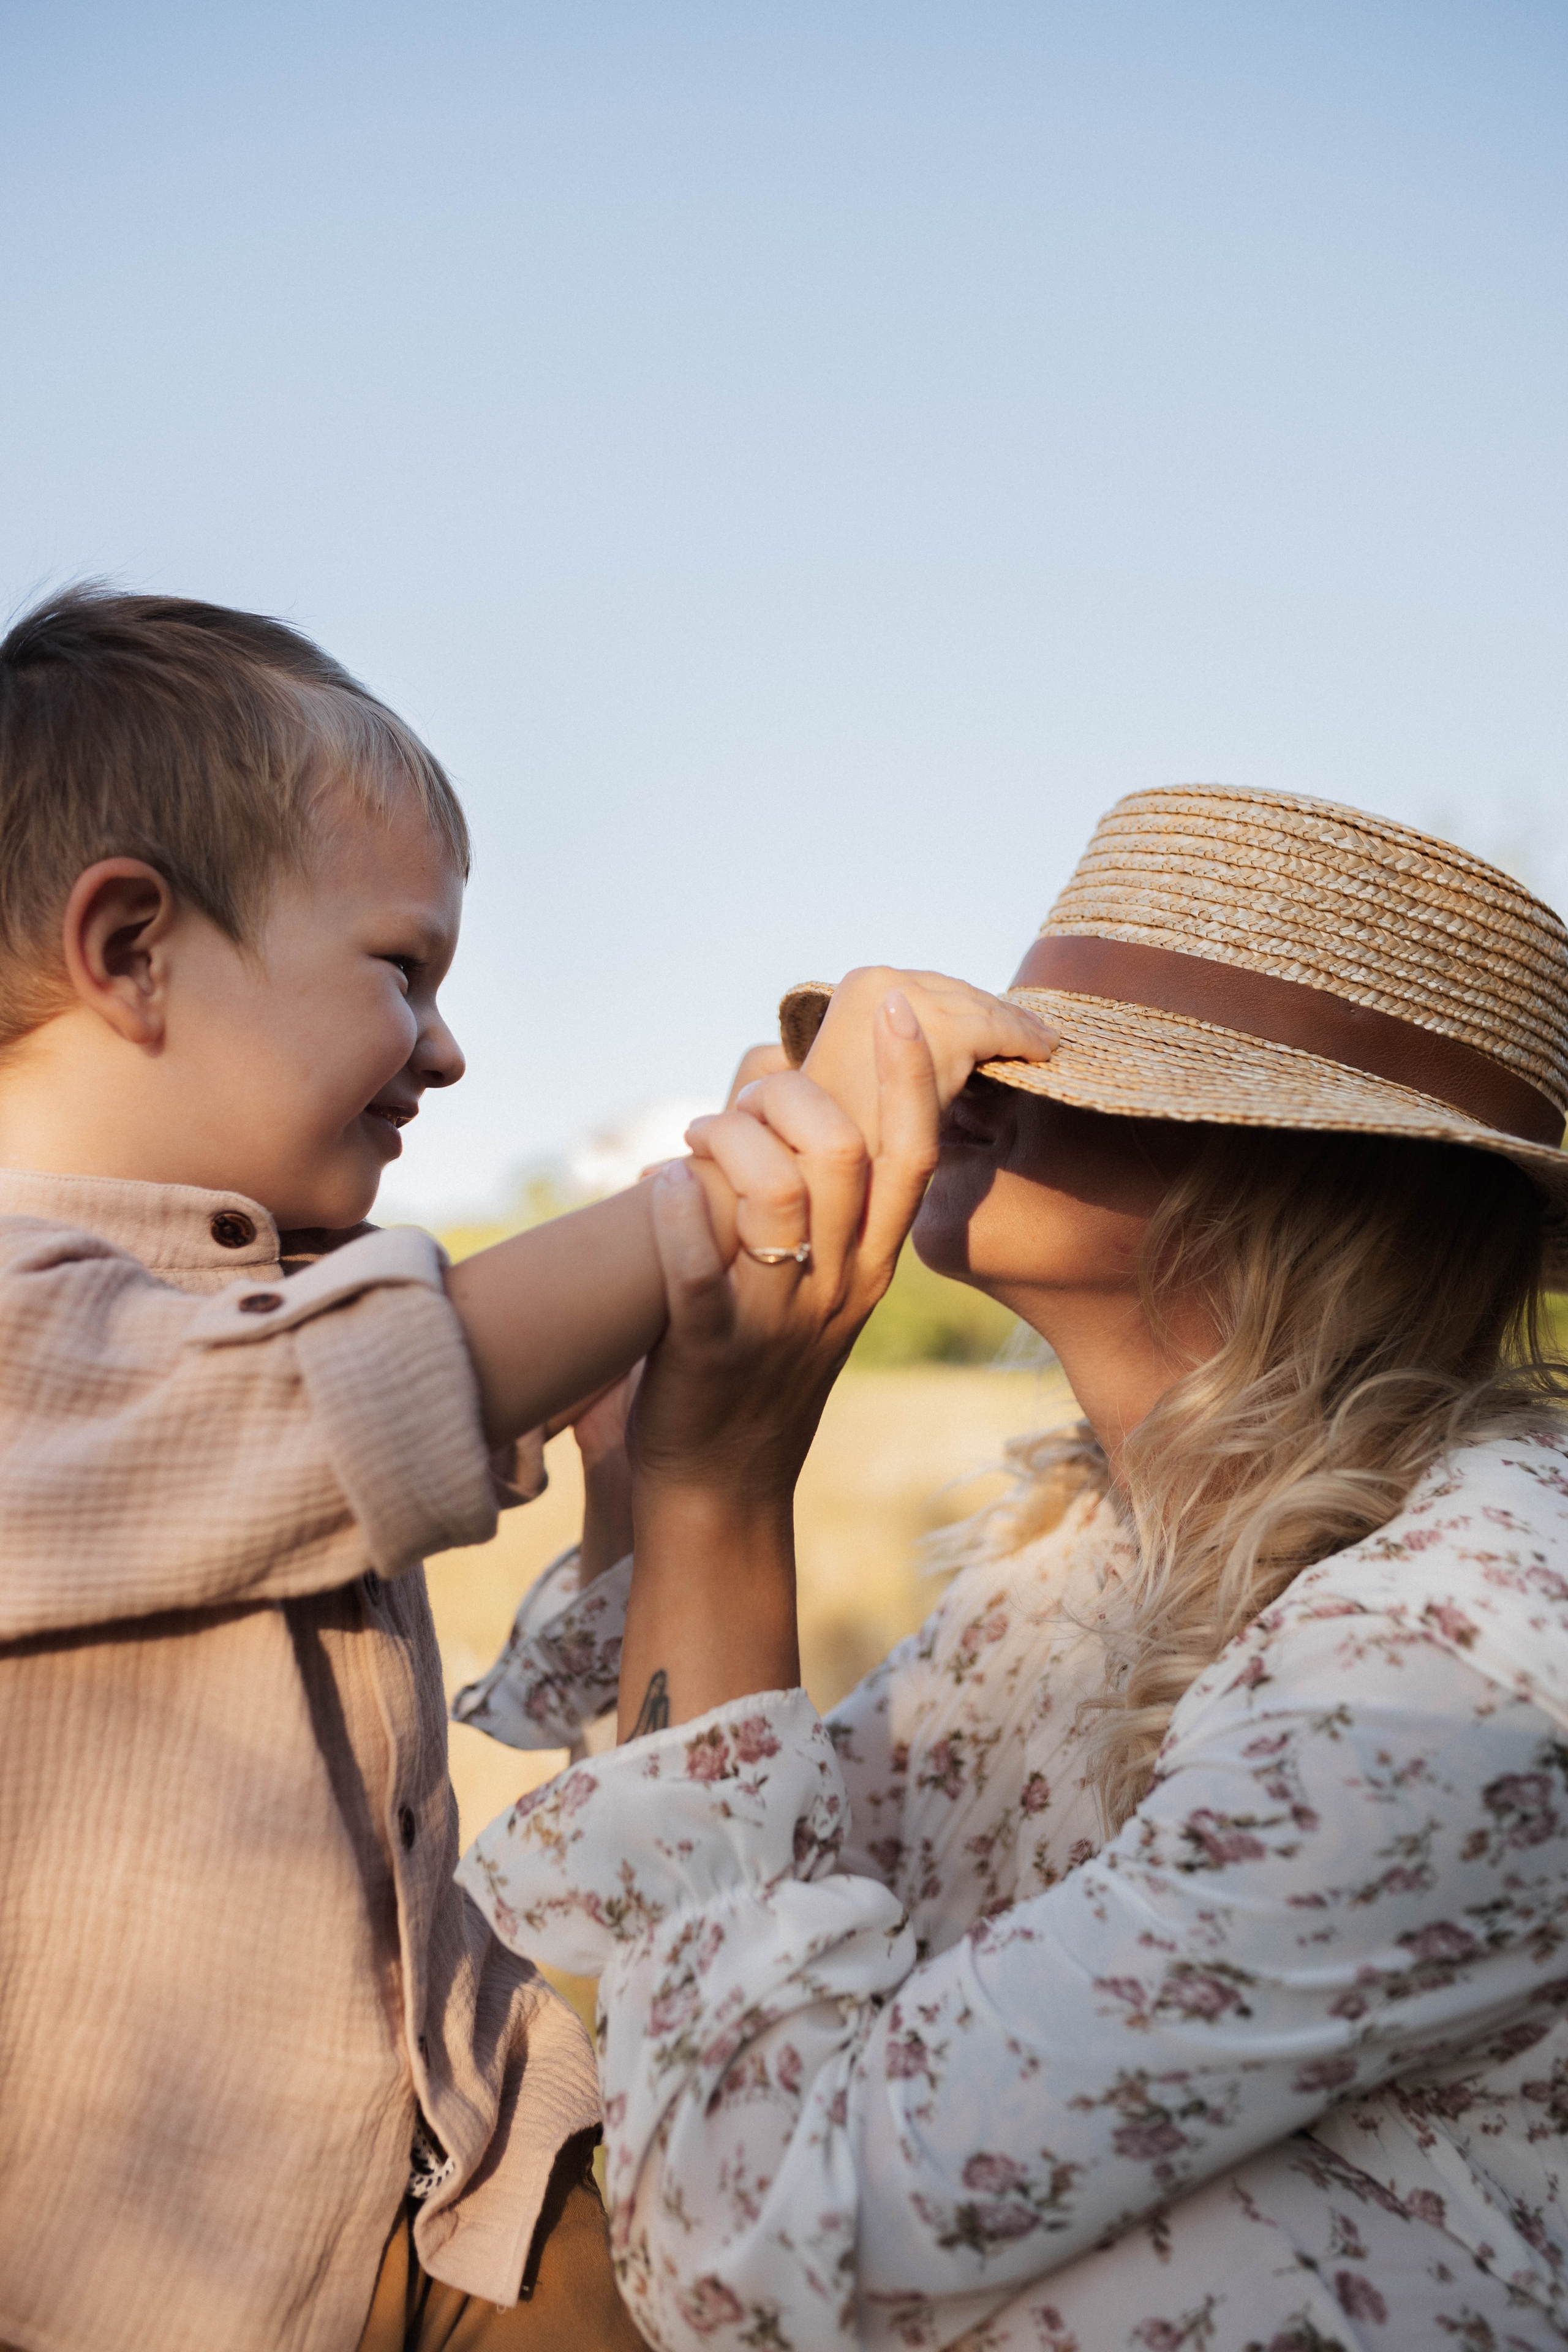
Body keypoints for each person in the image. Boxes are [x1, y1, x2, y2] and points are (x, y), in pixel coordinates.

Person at [0, 586, 1056, 2352]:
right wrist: (724, 1200)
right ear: (131, 949)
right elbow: (395, 1381)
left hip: (427, 2189)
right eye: (400, 971)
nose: (446, 1047)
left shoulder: (252, 1313)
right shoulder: (38, 1332)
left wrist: (647, 1483)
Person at [455, 784, 1568, 2352]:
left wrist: (723, 1495)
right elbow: (720, 1907)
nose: (959, 1101)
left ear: (1313, 1175)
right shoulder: (1080, 1552)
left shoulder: (1454, 1657)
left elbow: (743, 2239)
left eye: (1065, 1074)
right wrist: (646, 1490)